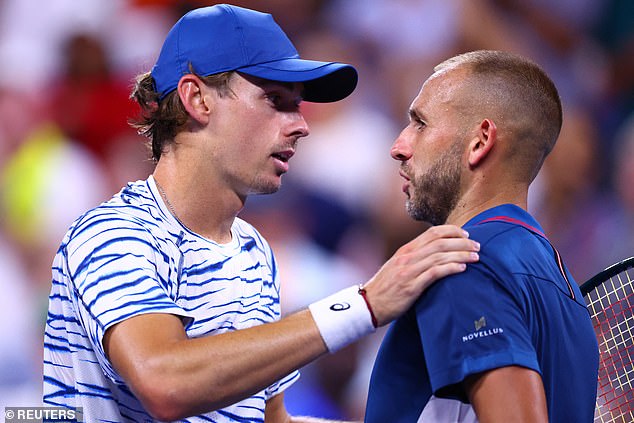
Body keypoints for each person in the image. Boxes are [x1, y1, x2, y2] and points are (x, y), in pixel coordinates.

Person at [42, 5, 481, 422]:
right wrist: (363, 305)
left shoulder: (254, 251)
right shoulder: (113, 232)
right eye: (276, 100)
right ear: (197, 99)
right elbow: (165, 383)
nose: (302, 123)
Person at [364, 50, 599, 422]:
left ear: (480, 141)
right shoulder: (558, 279)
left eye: (420, 124)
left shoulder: (465, 260)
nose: (399, 146)